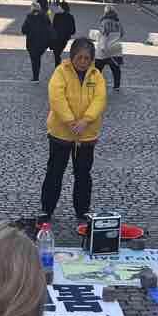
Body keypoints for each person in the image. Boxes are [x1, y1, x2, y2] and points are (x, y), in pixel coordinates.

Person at [40, 36, 106, 224]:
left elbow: (100, 100)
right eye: (80, 58)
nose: (83, 62)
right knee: (54, 172)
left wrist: (86, 120)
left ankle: (82, 211)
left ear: (92, 59)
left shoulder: (96, 76)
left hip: (86, 135)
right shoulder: (60, 72)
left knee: (83, 175)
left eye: (87, 58)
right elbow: (56, 98)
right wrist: (70, 121)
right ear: (72, 56)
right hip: (60, 134)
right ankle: (47, 209)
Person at [21, 0, 54, 82]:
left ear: (32, 8)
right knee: (37, 58)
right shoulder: (45, 16)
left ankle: (35, 77)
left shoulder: (29, 17)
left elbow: (24, 30)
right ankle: (36, 77)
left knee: (34, 60)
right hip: (42, 43)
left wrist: (29, 31)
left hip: (31, 42)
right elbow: (50, 29)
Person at [95, 6, 124, 90]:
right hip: (116, 48)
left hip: (105, 48)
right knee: (116, 68)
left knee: (98, 68)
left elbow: (104, 35)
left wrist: (102, 46)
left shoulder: (104, 22)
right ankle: (117, 86)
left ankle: (95, 83)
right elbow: (122, 34)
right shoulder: (118, 23)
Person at [50, 0, 76, 68]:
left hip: (58, 39)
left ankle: (58, 67)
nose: (58, 8)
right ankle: (58, 67)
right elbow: (73, 30)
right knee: (57, 54)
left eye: (59, 7)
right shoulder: (69, 17)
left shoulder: (57, 16)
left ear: (62, 8)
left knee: (57, 54)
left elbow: (53, 27)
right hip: (62, 39)